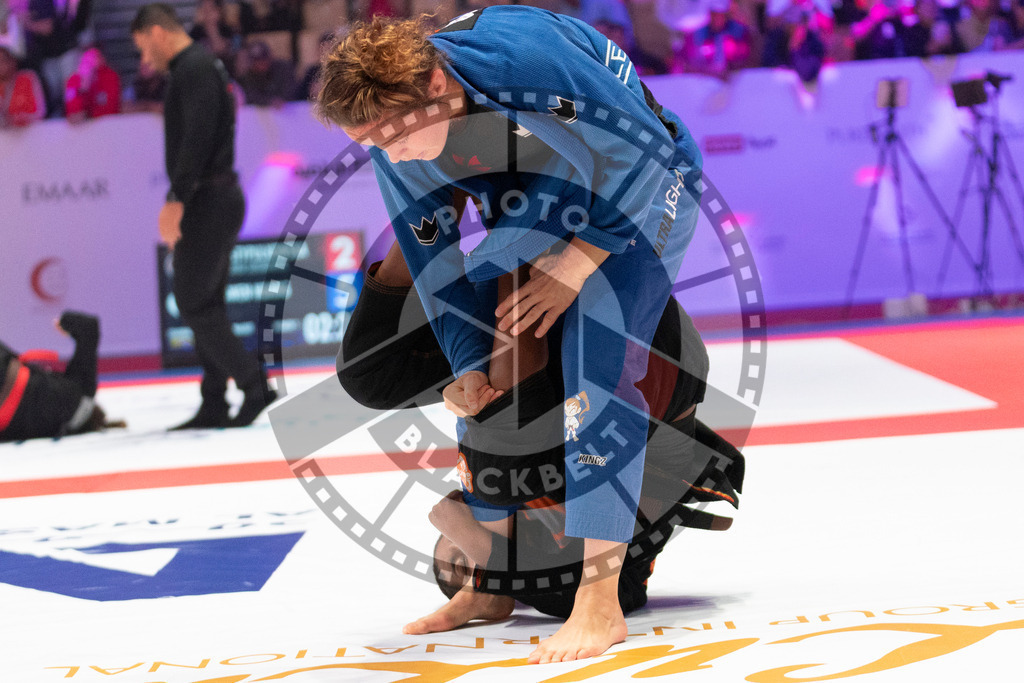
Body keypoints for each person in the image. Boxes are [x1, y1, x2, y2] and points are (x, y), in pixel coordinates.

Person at [318, 7, 704, 663]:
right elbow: (437, 270)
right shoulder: (398, 135)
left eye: (394, 138)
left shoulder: (527, 65)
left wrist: (579, 262)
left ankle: (599, 599)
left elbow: (644, 157)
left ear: (437, 86)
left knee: (596, 356)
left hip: (646, 185)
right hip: (535, 192)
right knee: (488, 352)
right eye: (372, 144)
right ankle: (491, 583)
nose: (389, 154)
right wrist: (466, 364)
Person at [336, 242, 744, 634]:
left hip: (564, 325)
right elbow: (619, 590)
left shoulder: (495, 485)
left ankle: (431, 224)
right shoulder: (562, 558)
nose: (468, 551)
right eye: (468, 564)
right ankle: (515, 249)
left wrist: (467, 373)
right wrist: (485, 559)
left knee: (369, 376)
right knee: (506, 464)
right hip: (654, 361)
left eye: (456, 557)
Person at [131, 3, 275, 430]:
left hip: (207, 199)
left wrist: (176, 198)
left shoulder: (192, 68)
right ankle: (214, 399)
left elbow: (195, 138)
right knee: (207, 303)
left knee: (193, 302)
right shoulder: (200, 65)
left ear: (157, 32)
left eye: (143, 49)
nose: (144, 61)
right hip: (216, 196)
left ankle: (255, 385)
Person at [0, 312, 125, 442]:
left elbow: (89, 326)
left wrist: (65, 323)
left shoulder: (84, 393)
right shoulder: (53, 430)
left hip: (8, 374)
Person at [64, 44, 119, 121]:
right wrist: (83, 90)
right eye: (86, 60)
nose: (90, 64)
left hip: (107, 126)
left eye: (94, 58)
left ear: (102, 59)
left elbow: (111, 108)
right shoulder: (73, 81)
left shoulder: (110, 76)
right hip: (80, 130)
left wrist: (87, 116)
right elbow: (72, 112)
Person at [235, 38, 294, 107]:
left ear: (270, 57)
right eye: (257, 62)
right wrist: (269, 101)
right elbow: (249, 96)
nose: (260, 64)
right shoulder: (247, 75)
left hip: (287, 111)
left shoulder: (283, 68)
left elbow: (291, 90)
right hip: (260, 114)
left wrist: (281, 100)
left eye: (263, 60)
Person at [0, 43, 45, 126]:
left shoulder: (28, 77)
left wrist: (26, 118)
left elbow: (41, 111)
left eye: (3, 60)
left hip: (34, 131)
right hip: (5, 136)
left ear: (12, 61)